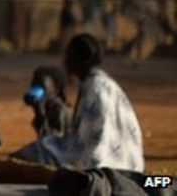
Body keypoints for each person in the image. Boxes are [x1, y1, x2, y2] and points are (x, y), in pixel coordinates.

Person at [40, 33, 144, 171]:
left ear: (78, 59)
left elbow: (92, 146)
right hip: (130, 164)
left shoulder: (95, 88)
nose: (65, 61)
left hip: (108, 168)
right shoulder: (102, 83)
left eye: (68, 56)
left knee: (39, 151)